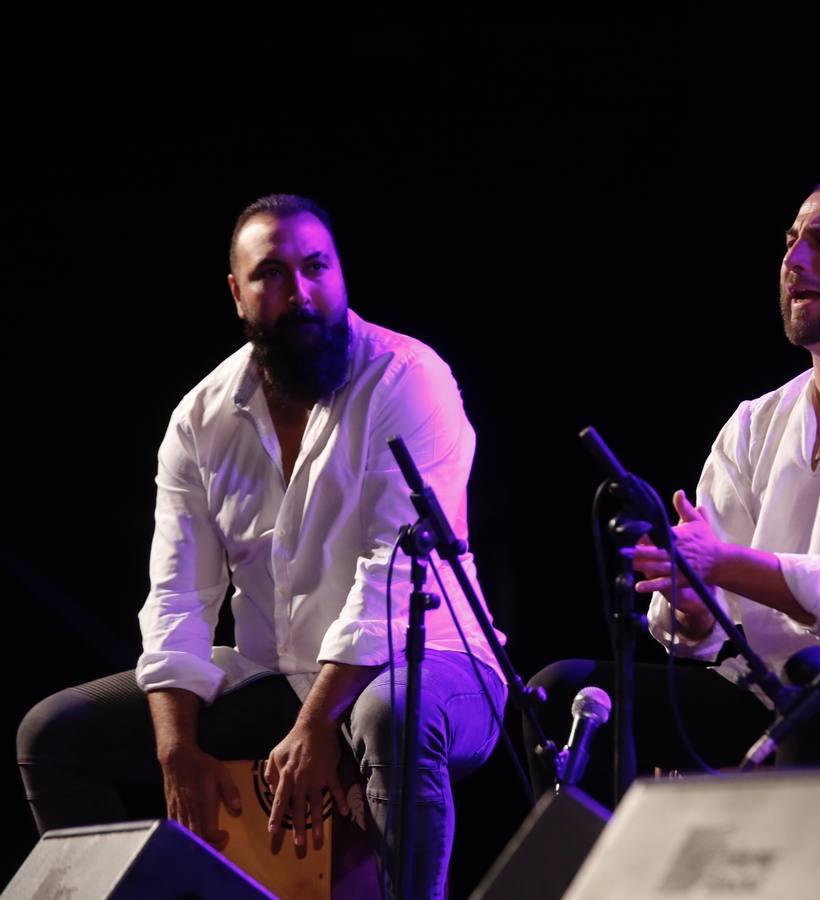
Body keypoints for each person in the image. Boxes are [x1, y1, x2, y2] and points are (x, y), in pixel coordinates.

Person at [17, 194, 506, 898]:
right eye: (271, 274)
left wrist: (315, 728)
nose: (300, 292)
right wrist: (176, 748)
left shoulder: (408, 378)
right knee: (53, 736)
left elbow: (388, 579)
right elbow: (179, 593)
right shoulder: (201, 418)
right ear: (236, 293)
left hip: (436, 665)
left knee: (386, 715)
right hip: (282, 674)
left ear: (340, 273)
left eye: (316, 268)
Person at [525, 176, 820, 800]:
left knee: (817, 682)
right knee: (559, 692)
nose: (793, 259)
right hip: (767, 696)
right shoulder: (756, 421)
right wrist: (693, 604)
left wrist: (727, 566)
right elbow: (697, 615)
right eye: (789, 242)